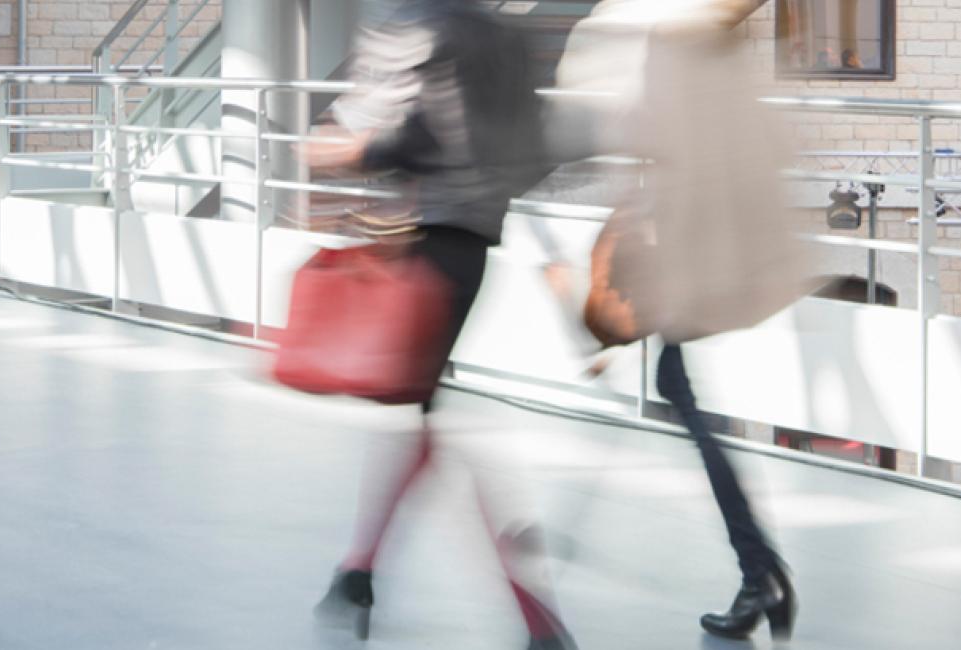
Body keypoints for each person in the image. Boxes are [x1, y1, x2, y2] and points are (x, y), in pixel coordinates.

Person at [304, 1, 568, 648]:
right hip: (471, 246)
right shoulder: (505, 35)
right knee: (421, 417)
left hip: (424, 246)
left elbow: (401, 136)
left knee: (430, 425)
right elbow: (538, 153)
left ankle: (533, 611)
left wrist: (340, 149)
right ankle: (358, 570)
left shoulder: (416, 28)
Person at [553, 0, 810, 642]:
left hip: (684, 242)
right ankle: (760, 572)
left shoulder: (666, 36)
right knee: (681, 393)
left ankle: (760, 573)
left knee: (684, 398)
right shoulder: (701, 36)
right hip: (701, 237)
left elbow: (636, 129)